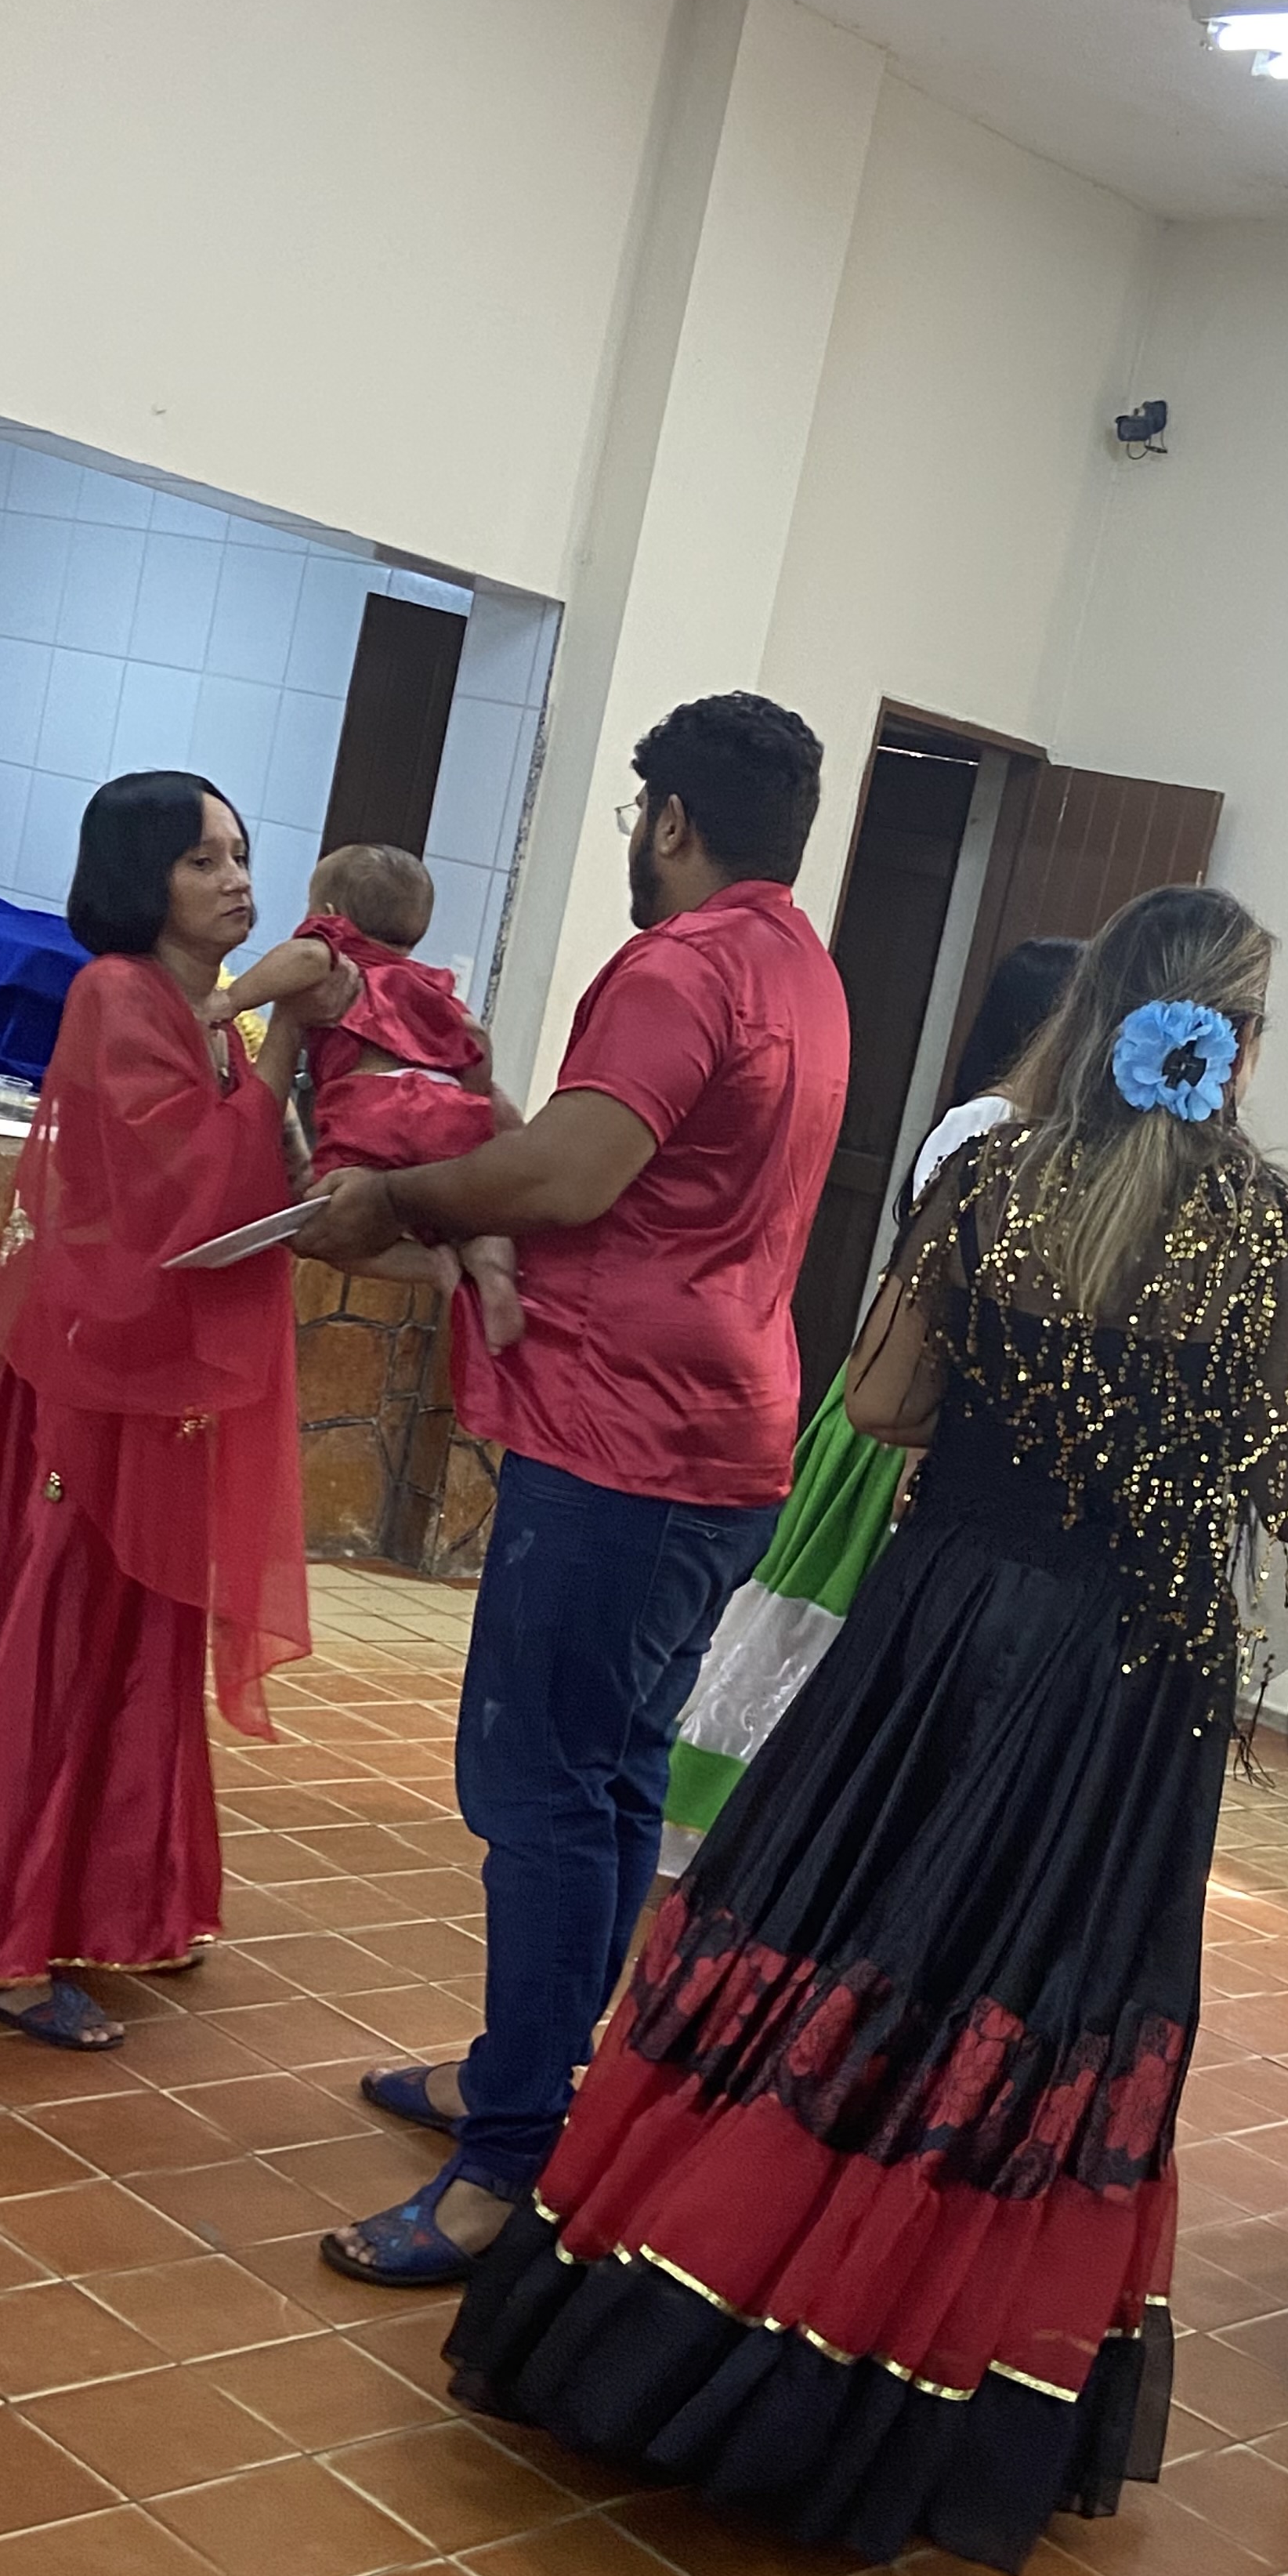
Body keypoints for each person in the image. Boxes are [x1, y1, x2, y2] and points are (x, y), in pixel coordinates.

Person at [443, 886, 1288, 2572]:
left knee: (835, 1929)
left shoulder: (996, 1181)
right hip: (1117, 1675)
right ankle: (899, 2370)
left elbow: (878, 1399)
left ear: (1093, 1011)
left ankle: (667, 2301)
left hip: (939, 1622)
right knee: (1018, 1986)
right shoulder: (1267, 1236)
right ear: (1239, 1042)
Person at [292, 692, 848, 2282]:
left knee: (537, 1790)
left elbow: (573, 1170)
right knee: (611, 1780)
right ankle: (531, 2078)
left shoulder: (682, 966)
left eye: (634, 815)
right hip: (721, 1432)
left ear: (672, 818)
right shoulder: (804, 970)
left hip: (624, 1444)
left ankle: (509, 2159)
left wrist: (397, 1195)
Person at [0, 771, 342, 2051]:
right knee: (57, 1642)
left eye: (239, 852)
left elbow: (244, 1176)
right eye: (202, 860)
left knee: (134, 1643)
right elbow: (186, 1185)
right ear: (144, 877)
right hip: (88, 1388)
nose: (236, 879)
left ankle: (112, 1896)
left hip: (152, 1387)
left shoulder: (206, 1010)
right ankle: (5, 1939)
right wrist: (281, 1034)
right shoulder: (117, 994)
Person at [660, 936, 1082, 1872]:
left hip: (953, 1433)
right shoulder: (985, 1128)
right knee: (817, 1623)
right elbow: (937, 1307)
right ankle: (735, 1821)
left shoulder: (1061, 1146)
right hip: (904, 1431)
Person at [226, 844, 525, 1348]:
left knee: (321, 1231)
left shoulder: (337, 954)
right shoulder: (433, 987)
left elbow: (305, 956)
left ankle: (432, 1267)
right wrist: (475, 1109)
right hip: (451, 1107)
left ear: (328, 914)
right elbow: (476, 1043)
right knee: (477, 1223)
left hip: (375, 1109)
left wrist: (228, 1000)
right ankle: (494, 1277)